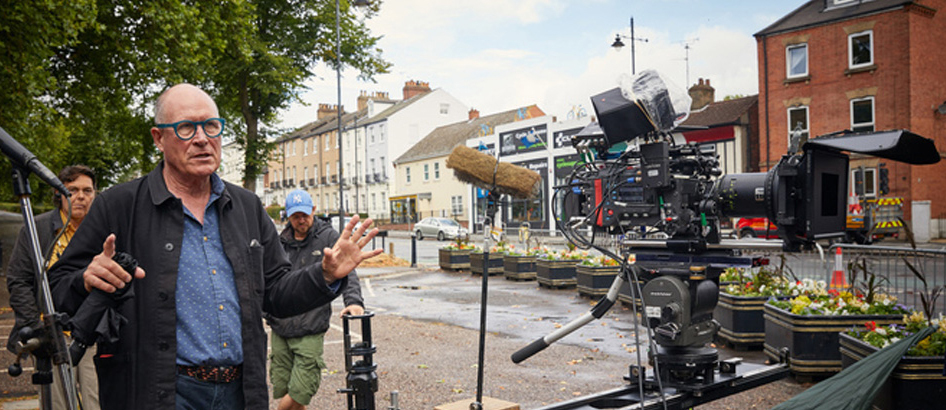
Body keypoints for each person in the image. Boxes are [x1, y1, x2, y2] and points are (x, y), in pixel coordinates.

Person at [48, 83, 382, 410]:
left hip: (239, 390)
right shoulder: (119, 206)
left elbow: (276, 292)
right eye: (185, 128)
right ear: (158, 138)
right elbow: (56, 286)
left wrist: (324, 276)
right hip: (159, 390)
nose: (202, 138)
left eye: (210, 125)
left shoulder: (248, 207)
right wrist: (86, 279)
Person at [6, 165, 100, 410]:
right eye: (72, 190)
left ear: (95, 194)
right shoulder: (35, 229)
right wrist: (38, 330)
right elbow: (19, 280)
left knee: (97, 403)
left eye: (87, 190)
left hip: (93, 335)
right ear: (59, 194)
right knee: (57, 406)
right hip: (52, 335)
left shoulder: (103, 230)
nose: (80, 196)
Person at [268, 190, 365, 410]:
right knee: (285, 390)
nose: (301, 220)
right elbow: (270, 278)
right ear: (287, 216)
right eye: (295, 216)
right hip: (281, 328)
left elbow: (347, 271)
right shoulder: (280, 241)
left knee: (299, 392)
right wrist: (265, 312)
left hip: (310, 326)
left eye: (305, 214)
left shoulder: (328, 238)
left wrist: (354, 301)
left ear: (313, 210)